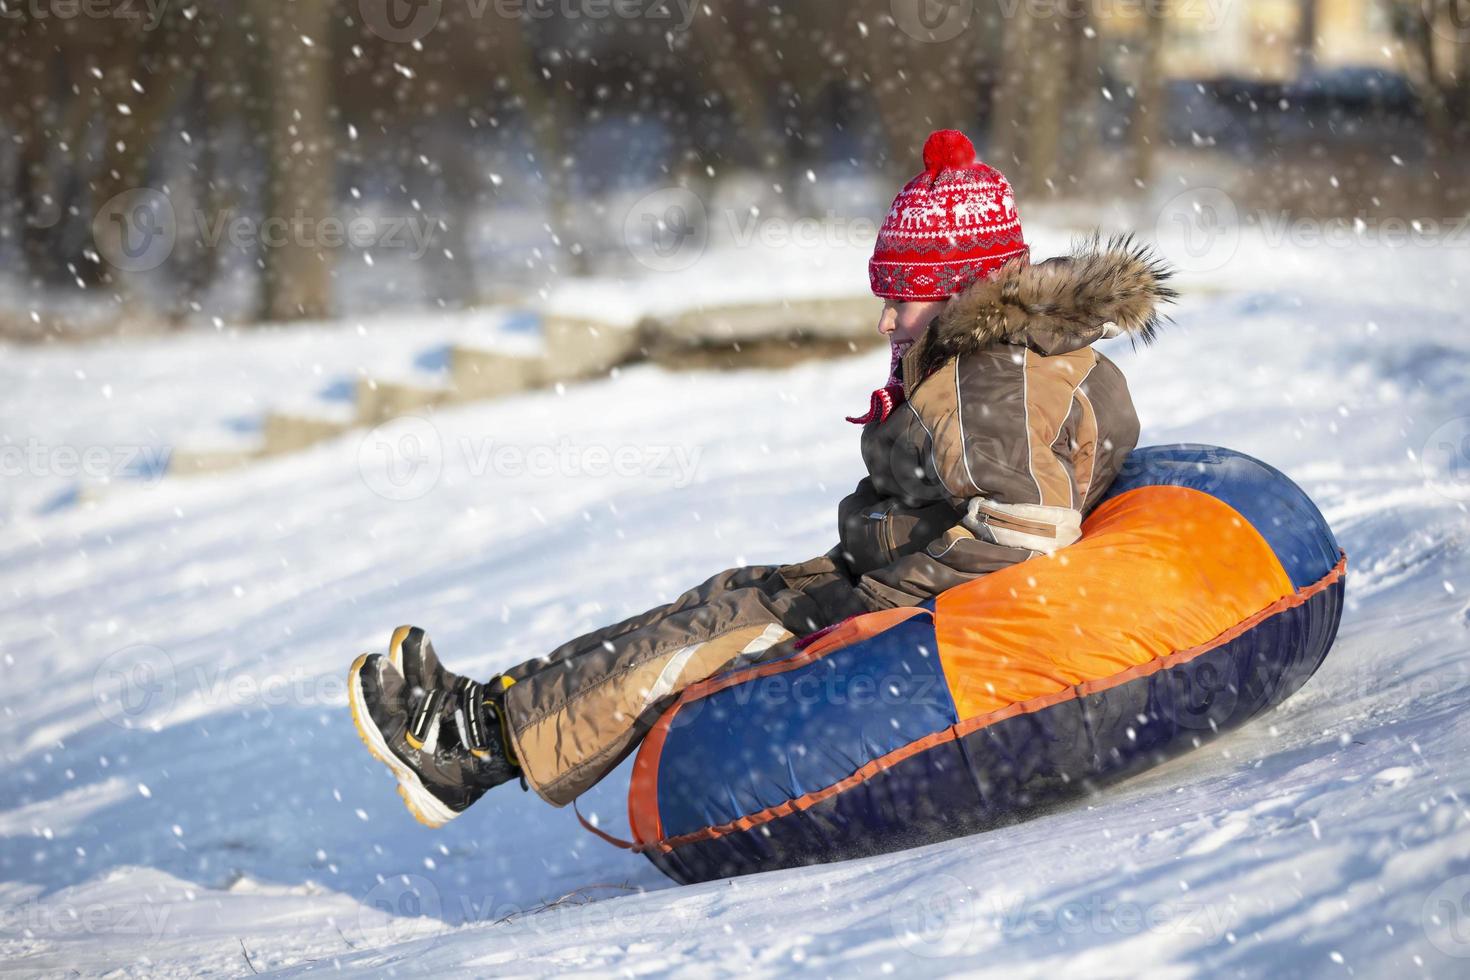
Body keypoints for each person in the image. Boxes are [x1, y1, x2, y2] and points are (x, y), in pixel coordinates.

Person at [346, 129, 1176, 828]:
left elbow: (1025, 535)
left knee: (703, 641)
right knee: (718, 598)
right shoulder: (1010, 358)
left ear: (964, 289)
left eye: (906, 298)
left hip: (920, 618)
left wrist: (882, 599)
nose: (887, 318)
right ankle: (491, 702)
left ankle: (470, 752)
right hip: (892, 576)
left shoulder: (985, 388)